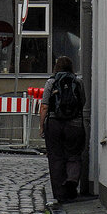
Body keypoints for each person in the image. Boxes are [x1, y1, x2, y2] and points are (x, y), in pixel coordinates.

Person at [40, 55, 85, 202]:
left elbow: (45, 106)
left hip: (54, 124)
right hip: (75, 124)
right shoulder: (78, 82)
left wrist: (42, 126)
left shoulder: (51, 82)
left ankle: (59, 193)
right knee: (74, 155)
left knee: (56, 158)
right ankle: (72, 180)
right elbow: (82, 102)